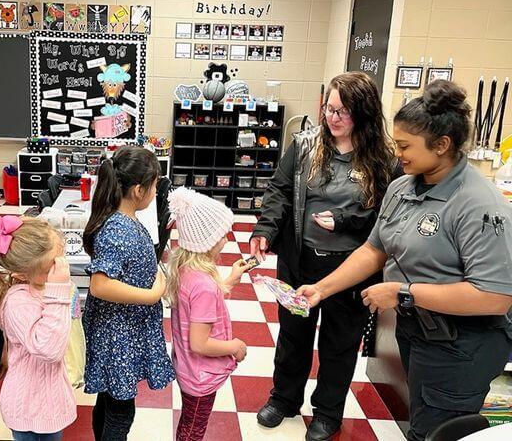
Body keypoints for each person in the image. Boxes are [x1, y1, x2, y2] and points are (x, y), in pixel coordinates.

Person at [298, 81, 512, 441]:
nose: (398, 155)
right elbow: (374, 249)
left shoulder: (480, 205)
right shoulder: (403, 187)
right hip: (418, 332)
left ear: (442, 146)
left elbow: (494, 296)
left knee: (436, 432)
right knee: (422, 420)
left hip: (461, 346)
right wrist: (321, 288)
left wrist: (403, 294)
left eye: (406, 146)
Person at [250, 72, 398, 441]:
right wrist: (266, 229)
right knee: (293, 336)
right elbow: (279, 191)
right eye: (329, 109)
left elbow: (386, 215)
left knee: (339, 345)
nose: (333, 118)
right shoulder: (304, 146)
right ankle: (284, 399)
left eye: (343, 111)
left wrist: (346, 220)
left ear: (363, 114)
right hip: (301, 261)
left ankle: (327, 413)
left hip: (352, 269)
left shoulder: (385, 158)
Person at [82, 145, 175, 440]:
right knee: (121, 410)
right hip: (118, 333)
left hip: (124, 330)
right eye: (155, 183)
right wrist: (151, 295)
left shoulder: (123, 220)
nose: (157, 189)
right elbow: (100, 284)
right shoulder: (118, 229)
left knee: (110, 400)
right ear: (138, 190)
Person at [0, 215, 76, 441]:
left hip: (46, 401)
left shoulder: (38, 286)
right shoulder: (18, 301)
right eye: (54, 264)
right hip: (31, 407)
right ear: (22, 274)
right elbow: (49, 350)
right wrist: (59, 292)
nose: (62, 266)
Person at [165, 187, 250, 441]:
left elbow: (198, 309)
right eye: (222, 234)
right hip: (200, 376)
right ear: (207, 241)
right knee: (193, 431)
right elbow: (200, 343)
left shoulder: (187, 270)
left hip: (187, 369)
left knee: (189, 423)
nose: (226, 237)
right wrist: (234, 346)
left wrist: (229, 282)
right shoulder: (204, 285)